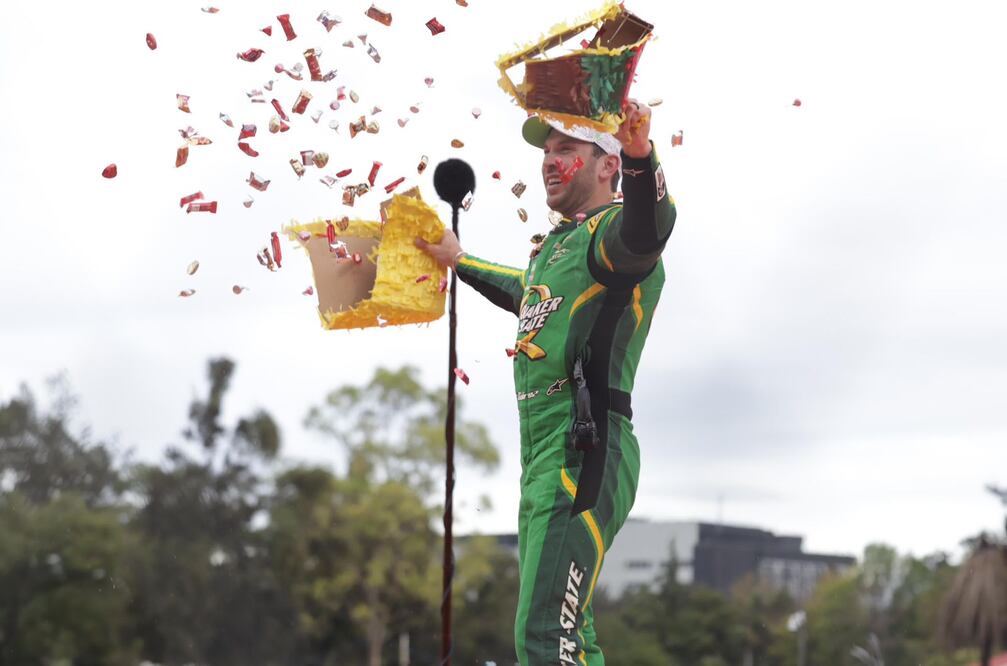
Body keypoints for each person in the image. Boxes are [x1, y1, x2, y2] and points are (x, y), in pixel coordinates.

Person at [416, 100, 677, 665]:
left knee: (542, 636)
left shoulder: (615, 236)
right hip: (545, 452)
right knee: (565, 633)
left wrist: (640, 155)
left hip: (585, 447)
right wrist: (459, 261)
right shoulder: (555, 246)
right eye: (548, 151)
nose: (550, 162)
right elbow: (527, 293)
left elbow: (650, 227)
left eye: (568, 150)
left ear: (606, 166)